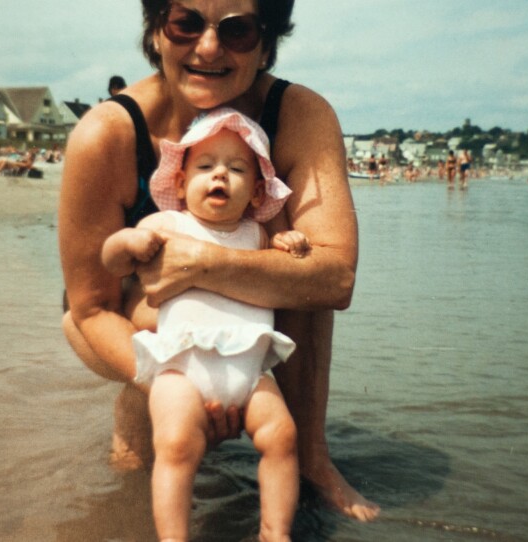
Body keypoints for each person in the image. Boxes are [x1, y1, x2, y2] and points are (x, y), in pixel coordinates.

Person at [59, 0, 380, 522]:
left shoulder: (299, 115)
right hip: (129, 316)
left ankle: (311, 458)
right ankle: (140, 427)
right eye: (185, 23)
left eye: (237, 30)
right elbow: (90, 308)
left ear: (266, 42)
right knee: (141, 464)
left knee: (299, 269)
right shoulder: (108, 134)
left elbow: (335, 275)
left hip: (237, 312)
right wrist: (185, 383)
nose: (208, 47)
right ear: (157, 31)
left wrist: (201, 263)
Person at [102, 108, 309, 541]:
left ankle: (275, 531)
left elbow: (282, 265)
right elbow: (112, 260)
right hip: (183, 369)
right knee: (177, 447)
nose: (220, 175)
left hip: (252, 375)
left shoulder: (256, 236)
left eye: (235, 169)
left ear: (255, 193)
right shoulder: (167, 224)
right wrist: (129, 242)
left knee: (283, 438)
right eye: (206, 166)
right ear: (180, 183)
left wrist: (286, 242)